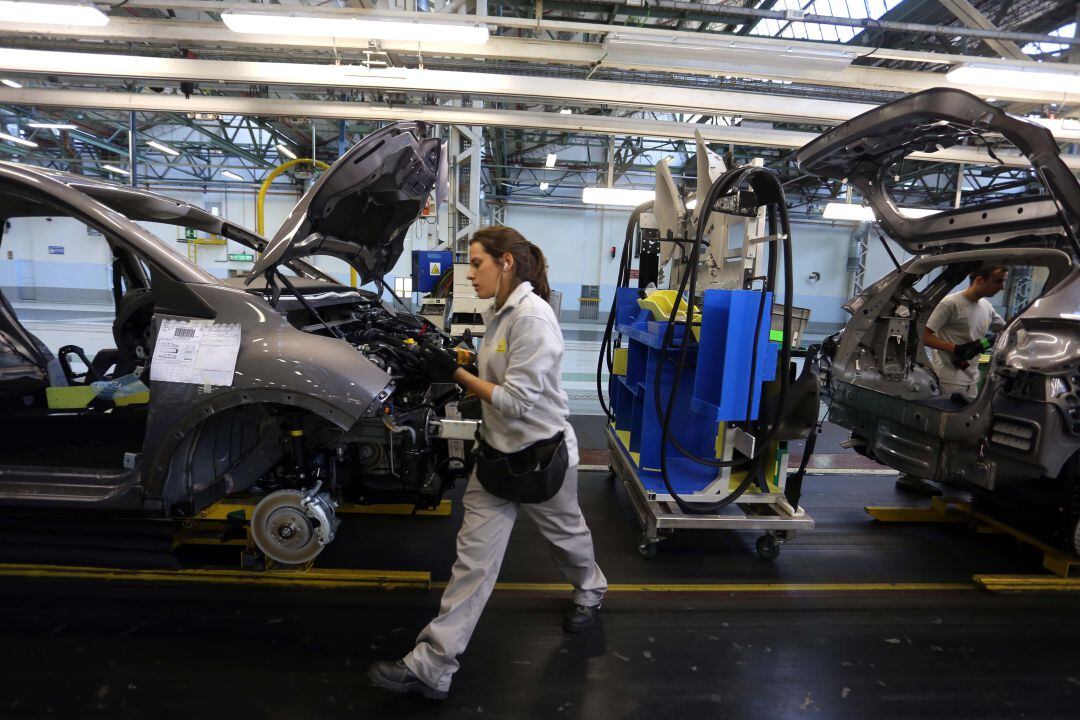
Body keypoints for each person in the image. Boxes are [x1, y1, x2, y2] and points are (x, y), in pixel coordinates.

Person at [368, 226, 607, 700]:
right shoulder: (499, 311)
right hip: (497, 458)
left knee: (567, 538)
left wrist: (454, 373)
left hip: (541, 460)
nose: (469, 273)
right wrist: (455, 359)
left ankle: (591, 588)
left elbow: (517, 401)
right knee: (472, 565)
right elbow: (494, 374)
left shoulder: (532, 318)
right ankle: (433, 665)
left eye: (477, 263)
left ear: (506, 263)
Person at [896, 265, 1007, 496]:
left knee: (969, 432)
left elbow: (1007, 329)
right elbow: (924, 335)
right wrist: (956, 348)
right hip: (947, 376)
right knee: (937, 430)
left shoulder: (986, 307)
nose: (1001, 287)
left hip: (972, 378)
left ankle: (952, 473)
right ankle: (912, 476)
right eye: (997, 281)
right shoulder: (950, 303)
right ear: (979, 279)